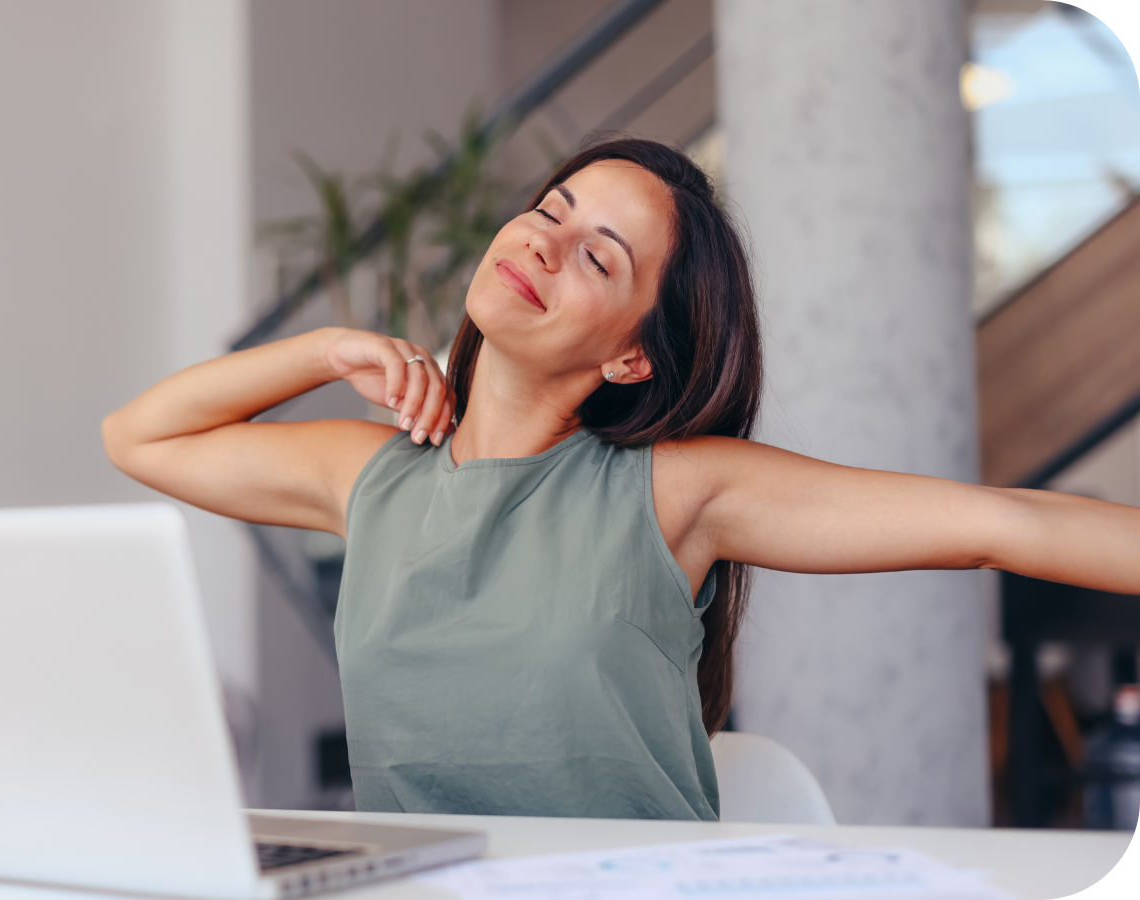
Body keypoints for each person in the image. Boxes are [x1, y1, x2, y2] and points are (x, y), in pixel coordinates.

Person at [102, 137, 1140, 821]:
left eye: (599, 259)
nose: (544, 245)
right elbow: (141, 437)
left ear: (630, 359)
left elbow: (997, 524)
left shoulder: (673, 494)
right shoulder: (371, 477)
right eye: (551, 209)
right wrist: (328, 350)